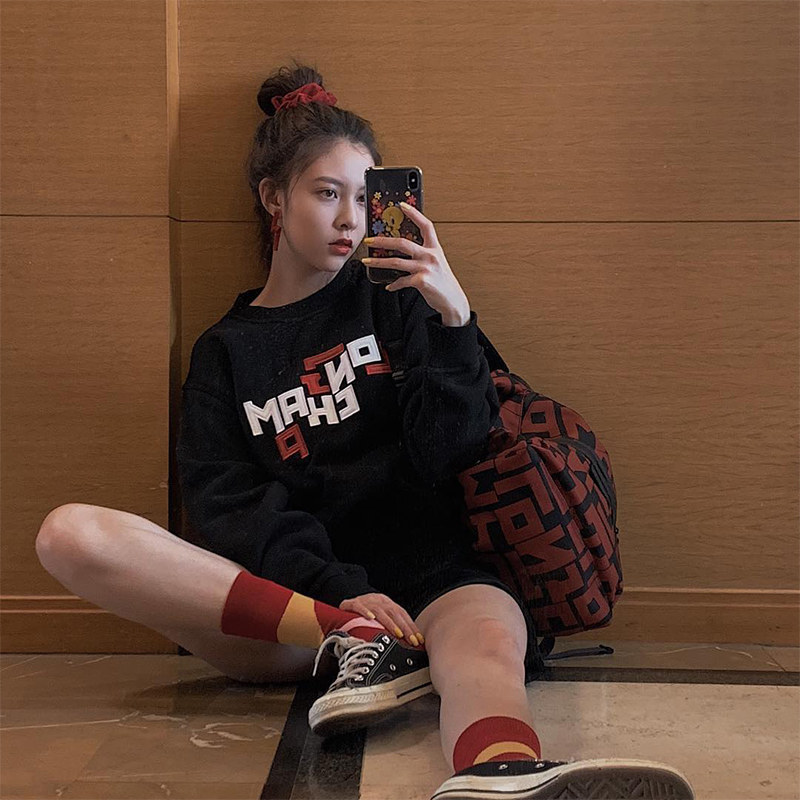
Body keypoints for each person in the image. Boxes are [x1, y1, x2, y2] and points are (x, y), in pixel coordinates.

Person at [35, 61, 694, 800]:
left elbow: (455, 453)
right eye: (326, 193)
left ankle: (501, 775)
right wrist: (341, 597)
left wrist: (454, 321)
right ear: (273, 197)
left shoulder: (401, 301)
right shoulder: (226, 352)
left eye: (363, 195)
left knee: (486, 649)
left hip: (436, 580)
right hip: (302, 609)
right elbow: (229, 507)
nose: (350, 219)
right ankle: (362, 642)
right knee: (70, 535)